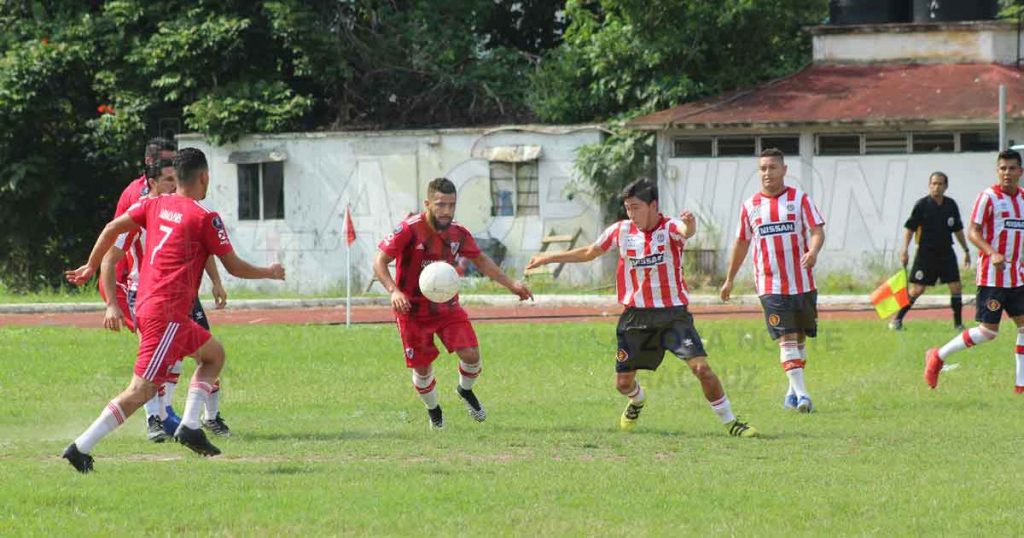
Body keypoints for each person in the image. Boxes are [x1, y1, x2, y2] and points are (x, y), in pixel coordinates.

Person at [61, 148, 285, 473]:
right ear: (204, 177)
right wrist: (270, 272)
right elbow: (234, 267)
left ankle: (191, 427)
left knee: (214, 355)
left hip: (160, 309)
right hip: (166, 314)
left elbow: (112, 227)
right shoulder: (205, 217)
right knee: (141, 390)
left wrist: (91, 265)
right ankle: (80, 447)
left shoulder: (154, 203)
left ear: (175, 177)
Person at [526, 179, 758, 437]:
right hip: (635, 318)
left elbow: (685, 230)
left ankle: (731, 423)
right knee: (623, 384)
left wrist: (690, 224)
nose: (631, 214)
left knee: (701, 369)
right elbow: (590, 252)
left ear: (653, 205)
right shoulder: (621, 231)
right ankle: (637, 401)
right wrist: (549, 257)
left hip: (673, 316)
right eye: (627, 208)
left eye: (636, 207)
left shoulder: (669, 227)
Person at [373, 177, 533, 429]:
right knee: (423, 370)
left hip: (446, 307)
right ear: (427, 204)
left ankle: (465, 390)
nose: (447, 211)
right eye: (440, 205)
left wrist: (511, 284)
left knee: (471, 355)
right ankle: (434, 411)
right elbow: (379, 261)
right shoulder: (409, 229)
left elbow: (480, 260)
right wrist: (394, 291)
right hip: (411, 311)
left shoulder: (458, 232)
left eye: (451, 205)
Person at [100, 140, 232, 442]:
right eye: (168, 179)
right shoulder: (142, 208)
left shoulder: (187, 212)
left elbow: (205, 249)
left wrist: (215, 281)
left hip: (181, 294)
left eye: (176, 178)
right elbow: (111, 251)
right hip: (149, 296)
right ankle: (157, 419)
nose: (175, 184)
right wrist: (110, 301)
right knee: (158, 365)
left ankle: (203, 418)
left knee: (208, 354)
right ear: (152, 182)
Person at [720, 148, 826, 413]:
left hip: (802, 283)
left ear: (784, 170)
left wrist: (813, 252)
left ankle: (792, 392)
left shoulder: (799, 199)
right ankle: (803, 396)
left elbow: (817, 231)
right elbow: (742, 242)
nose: (767, 173)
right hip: (770, 286)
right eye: (763, 168)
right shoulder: (750, 206)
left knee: (800, 338)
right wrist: (729, 279)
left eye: (772, 167)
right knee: (786, 337)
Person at [925, 149, 1024, 391]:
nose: (1007, 173)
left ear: (1020, 171)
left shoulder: (1023, 199)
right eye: (1002, 168)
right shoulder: (988, 197)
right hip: (992, 277)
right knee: (988, 333)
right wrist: (992, 252)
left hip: (1018, 278)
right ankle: (938, 355)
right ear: (997, 171)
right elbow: (973, 231)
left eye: (1012, 168)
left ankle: (1021, 384)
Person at [890, 172, 971, 330]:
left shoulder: (951, 205)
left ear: (945, 186)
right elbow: (910, 228)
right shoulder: (922, 205)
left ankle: (958, 324)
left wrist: (966, 250)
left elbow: (958, 229)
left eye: (940, 184)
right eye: (933, 183)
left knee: (956, 286)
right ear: (929, 185)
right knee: (918, 289)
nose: (936, 187)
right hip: (926, 253)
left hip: (946, 252)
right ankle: (897, 320)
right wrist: (904, 250)